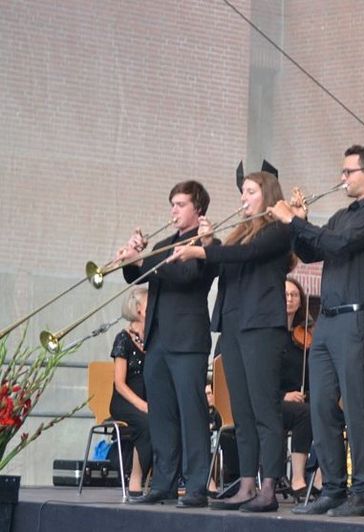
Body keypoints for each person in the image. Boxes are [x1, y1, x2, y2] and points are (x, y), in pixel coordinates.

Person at [268, 145, 364, 517]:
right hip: (329, 320)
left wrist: (294, 220)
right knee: (320, 405)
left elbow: (337, 243)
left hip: (355, 319)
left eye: (348, 171)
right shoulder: (343, 214)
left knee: (355, 405)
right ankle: (333, 489)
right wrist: (299, 224)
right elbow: (312, 252)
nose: (343, 178)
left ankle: (363, 492)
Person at [171, 170, 292, 512]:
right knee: (240, 410)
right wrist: (211, 245)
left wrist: (204, 252)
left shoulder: (278, 230)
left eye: (250, 191)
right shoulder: (241, 233)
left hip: (262, 327)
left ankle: (268, 486)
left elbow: (247, 257)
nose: (243, 198)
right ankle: (247, 484)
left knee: (264, 409)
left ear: (266, 194)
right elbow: (230, 265)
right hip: (235, 325)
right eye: (242, 192)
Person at [120, 180, 218, 508]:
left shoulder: (206, 243)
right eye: (172, 204)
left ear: (198, 209)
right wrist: (132, 260)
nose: (173, 210)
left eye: (180, 204)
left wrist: (146, 263)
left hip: (188, 341)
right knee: (161, 415)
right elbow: (137, 277)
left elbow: (188, 276)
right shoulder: (164, 244)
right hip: (158, 341)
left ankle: (196, 486)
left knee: (192, 414)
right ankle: (162, 482)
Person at [281, 277, 322, 500]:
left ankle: (322, 478)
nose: (289, 299)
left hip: (301, 399)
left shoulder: (306, 334)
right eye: (285, 295)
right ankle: (298, 478)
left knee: (329, 411)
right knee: (305, 414)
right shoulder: (269, 335)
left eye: (294, 295)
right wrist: (284, 395)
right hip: (273, 401)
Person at [109, 287, 152, 495]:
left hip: (147, 401)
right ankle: (136, 478)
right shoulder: (123, 339)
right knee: (146, 423)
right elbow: (120, 383)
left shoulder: (153, 339)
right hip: (125, 402)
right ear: (138, 309)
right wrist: (141, 405)